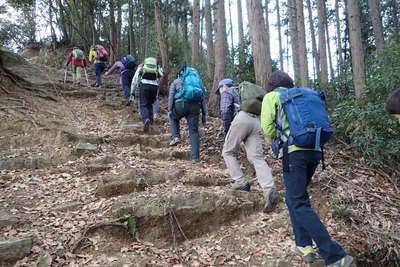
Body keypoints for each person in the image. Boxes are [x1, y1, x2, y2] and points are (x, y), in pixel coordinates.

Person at [260, 70, 353, 267]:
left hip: (293, 152)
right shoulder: (301, 96)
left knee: (298, 202)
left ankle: (335, 255)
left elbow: (267, 126)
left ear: (272, 85)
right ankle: (303, 245)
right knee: (296, 198)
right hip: (315, 151)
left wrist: (275, 140)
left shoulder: (272, 97)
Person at [217, 78, 278, 213]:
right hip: (256, 120)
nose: (220, 92)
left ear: (223, 87)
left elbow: (226, 110)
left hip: (241, 119)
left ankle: (240, 181)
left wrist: (228, 130)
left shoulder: (227, 92)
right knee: (256, 157)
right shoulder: (243, 92)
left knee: (228, 152)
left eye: (219, 90)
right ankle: (269, 188)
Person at [168, 63, 207, 162]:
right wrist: (204, 115)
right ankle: (195, 157)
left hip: (181, 105)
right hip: (195, 106)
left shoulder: (177, 81)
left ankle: (176, 136)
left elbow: (171, 95)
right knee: (194, 131)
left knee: (173, 117)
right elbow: (203, 98)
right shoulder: (198, 82)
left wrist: (169, 110)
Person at [130, 57, 163, 133]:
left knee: (143, 104)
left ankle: (146, 119)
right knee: (150, 104)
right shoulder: (157, 67)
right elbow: (161, 75)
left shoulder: (142, 67)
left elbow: (135, 79)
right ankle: (151, 122)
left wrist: (132, 91)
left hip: (144, 85)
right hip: (154, 86)